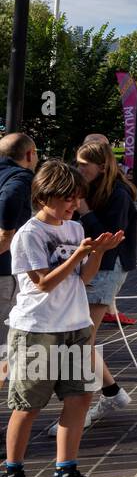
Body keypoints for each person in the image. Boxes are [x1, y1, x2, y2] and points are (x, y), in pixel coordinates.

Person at [2, 160, 122, 477]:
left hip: (75, 326)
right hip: (38, 330)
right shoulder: (29, 235)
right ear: (44, 196)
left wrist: (96, 253)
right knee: (28, 405)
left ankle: (64, 476)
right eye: (66, 198)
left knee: (80, 399)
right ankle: (12, 474)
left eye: (76, 198)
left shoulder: (72, 228)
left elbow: (81, 279)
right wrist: (79, 256)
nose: (73, 205)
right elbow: (43, 283)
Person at [63, 141, 137, 430]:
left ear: (102, 167)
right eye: (77, 163)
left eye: (84, 165)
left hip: (108, 267)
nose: (78, 169)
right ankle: (112, 392)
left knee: (83, 339)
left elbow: (108, 237)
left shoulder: (118, 194)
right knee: (82, 338)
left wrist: (83, 210)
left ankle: (102, 397)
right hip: (95, 265)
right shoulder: (94, 188)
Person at [0, 134, 39, 386]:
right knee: (3, 341)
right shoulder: (21, 177)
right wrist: (6, 233)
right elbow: (9, 199)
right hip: (4, 269)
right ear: (28, 154)